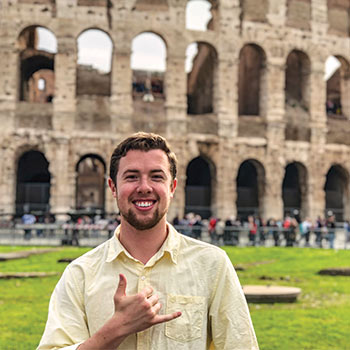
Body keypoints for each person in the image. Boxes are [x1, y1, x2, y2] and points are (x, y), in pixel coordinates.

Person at [37, 132, 259, 350]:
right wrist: (116, 329)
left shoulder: (212, 265)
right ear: (113, 188)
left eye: (156, 176)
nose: (144, 187)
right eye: (132, 176)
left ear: (172, 188)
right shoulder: (80, 274)